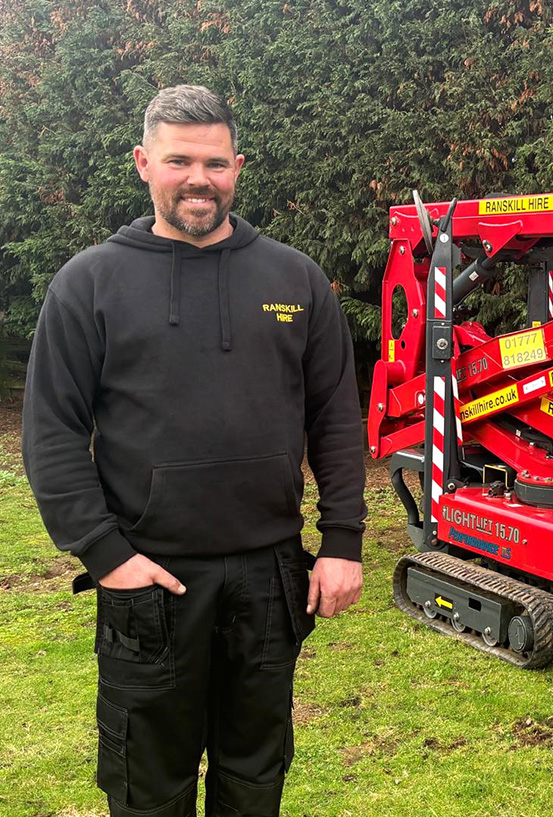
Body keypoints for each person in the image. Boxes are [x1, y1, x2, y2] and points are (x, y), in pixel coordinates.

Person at [21, 85, 367, 817]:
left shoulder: (295, 279)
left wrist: (342, 541)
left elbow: (335, 416)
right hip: (150, 581)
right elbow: (50, 431)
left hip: (270, 579)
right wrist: (105, 553)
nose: (198, 178)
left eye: (215, 162)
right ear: (145, 163)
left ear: (237, 165)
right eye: (179, 160)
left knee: (254, 776)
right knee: (151, 787)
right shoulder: (90, 283)